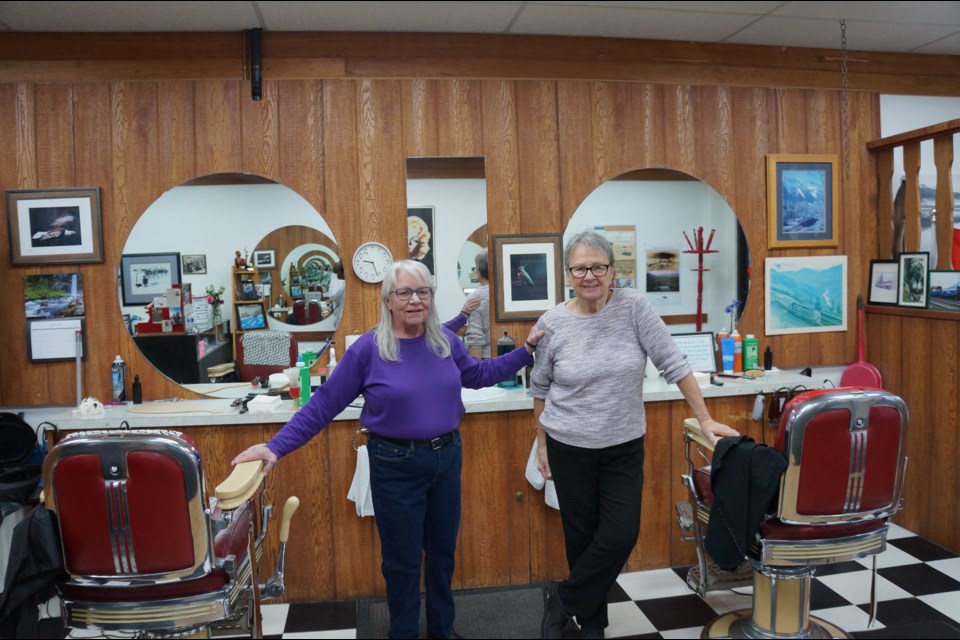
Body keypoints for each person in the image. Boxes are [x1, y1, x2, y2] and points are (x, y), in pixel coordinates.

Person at [232, 259, 542, 640]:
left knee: (443, 556)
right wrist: (275, 447)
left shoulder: (445, 341)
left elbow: (479, 375)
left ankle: (443, 630)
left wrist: (526, 349)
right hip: (395, 464)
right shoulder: (369, 349)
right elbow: (324, 404)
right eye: (405, 292)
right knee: (403, 563)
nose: (415, 300)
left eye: (423, 291)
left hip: (446, 457)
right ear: (388, 300)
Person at [531, 230, 738, 640]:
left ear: (612, 271)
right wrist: (541, 446)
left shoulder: (633, 308)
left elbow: (673, 362)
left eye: (598, 267)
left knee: (621, 533)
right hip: (568, 445)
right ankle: (593, 622)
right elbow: (540, 388)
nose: (589, 275)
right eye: (580, 268)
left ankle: (565, 598)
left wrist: (705, 416)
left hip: (622, 446)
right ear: (568, 273)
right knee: (581, 537)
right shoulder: (552, 322)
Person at [463, 248, 491, 358]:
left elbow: (475, 338)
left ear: (478, 271)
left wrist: (475, 371)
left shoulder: (475, 297)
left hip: (487, 362)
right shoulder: (508, 294)